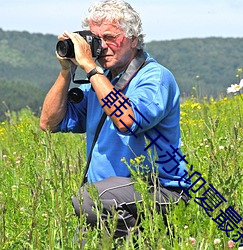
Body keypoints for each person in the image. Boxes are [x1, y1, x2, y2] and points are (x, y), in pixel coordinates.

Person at [40, 0, 190, 244]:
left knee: (88, 199)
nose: (102, 47)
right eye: (95, 39)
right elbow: (49, 123)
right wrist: (66, 71)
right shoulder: (100, 82)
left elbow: (127, 121)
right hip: (112, 199)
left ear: (133, 39)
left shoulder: (154, 77)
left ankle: (146, 241)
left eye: (110, 37)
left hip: (159, 191)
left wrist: (90, 67)